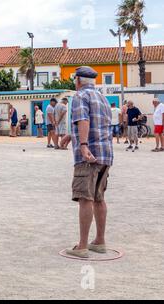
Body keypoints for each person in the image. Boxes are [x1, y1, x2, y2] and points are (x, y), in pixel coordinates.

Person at [66, 66, 113, 259]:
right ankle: (99, 241)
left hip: (88, 155)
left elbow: (84, 120)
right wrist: (72, 135)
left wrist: (83, 144)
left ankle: (82, 246)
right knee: (99, 198)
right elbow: (97, 123)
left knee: (85, 198)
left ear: (78, 80)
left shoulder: (79, 96)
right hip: (105, 154)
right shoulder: (102, 98)